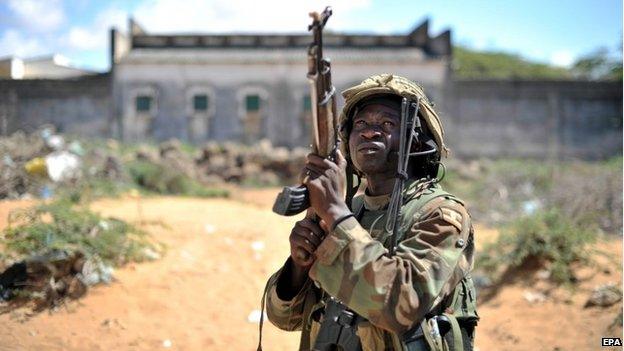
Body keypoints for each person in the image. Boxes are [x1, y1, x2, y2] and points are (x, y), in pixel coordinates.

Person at [263, 74, 478, 351]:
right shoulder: (348, 214)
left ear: (416, 141)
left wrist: (336, 213)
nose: (369, 132)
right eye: (361, 124)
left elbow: (403, 305)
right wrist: (299, 266)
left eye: (387, 123)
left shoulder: (441, 215)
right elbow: (284, 318)